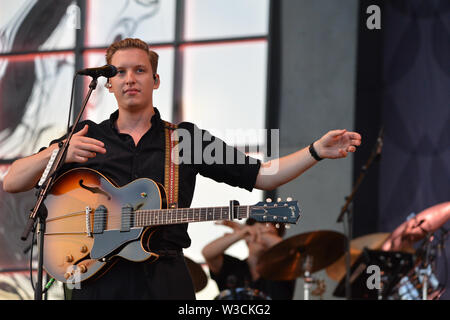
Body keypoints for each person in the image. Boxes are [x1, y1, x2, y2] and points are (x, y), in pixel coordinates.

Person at [2, 38, 361, 300]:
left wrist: (315, 151)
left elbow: (263, 174)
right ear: (108, 84)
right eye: (120, 72)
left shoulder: (184, 140)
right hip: (93, 281)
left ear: (155, 80)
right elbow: (12, 181)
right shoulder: (85, 136)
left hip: (163, 280)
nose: (130, 78)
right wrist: (60, 153)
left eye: (140, 70)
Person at [202, 218, 295, 300]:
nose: (260, 237)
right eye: (256, 231)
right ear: (247, 238)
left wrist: (259, 232)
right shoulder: (233, 266)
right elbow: (208, 253)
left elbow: (290, 250)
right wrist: (242, 233)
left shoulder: (283, 268)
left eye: (269, 234)